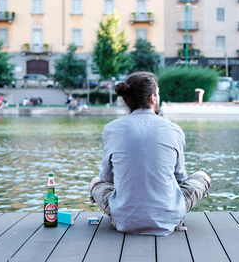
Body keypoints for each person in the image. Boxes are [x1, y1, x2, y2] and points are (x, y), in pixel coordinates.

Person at [89, 71, 211, 236]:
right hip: (169, 218)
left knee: (95, 182)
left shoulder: (111, 129)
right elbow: (180, 178)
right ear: (153, 98)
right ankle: (169, 216)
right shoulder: (174, 129)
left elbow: (106, 179)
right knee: (202, 176)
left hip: (124, 220)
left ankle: (127, 214)